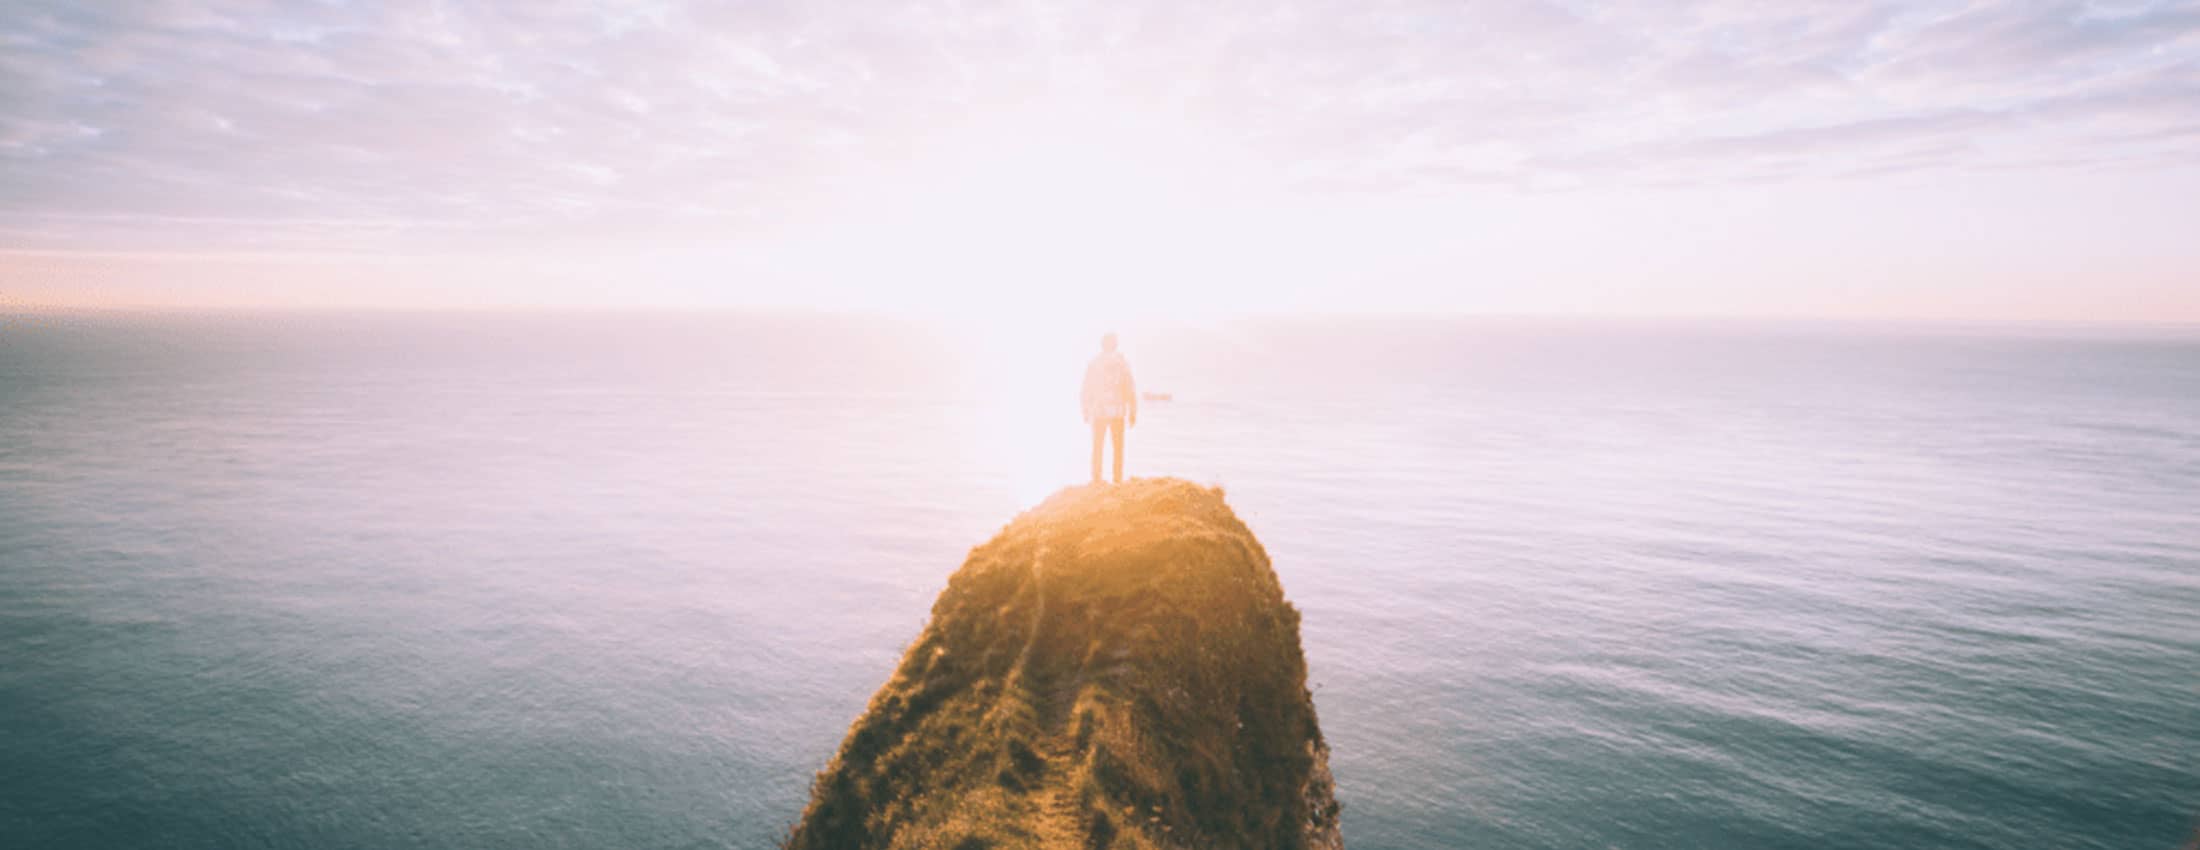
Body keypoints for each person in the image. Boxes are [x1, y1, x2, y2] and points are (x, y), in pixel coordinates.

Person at [1080, 332, 1137, 484]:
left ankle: (1096, 478)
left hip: (1099, 411)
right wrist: (1133, 410)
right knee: (1118, 447)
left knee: (1097, 446)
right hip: (1117, 411)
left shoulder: (1094, 363)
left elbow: (1086, 388)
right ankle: (1117, 479)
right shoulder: (1122, 363)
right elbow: (1130, 387)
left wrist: (1085, 409)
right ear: (1115, 344)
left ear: (1102, 345)